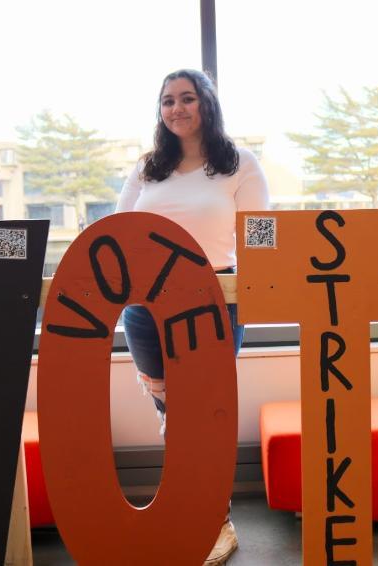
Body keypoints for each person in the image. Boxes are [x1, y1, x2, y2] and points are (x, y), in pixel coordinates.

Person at [115, 69, 269, 565]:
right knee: (173, 414)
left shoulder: (239, 164)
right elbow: (118, 232)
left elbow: (260, 237)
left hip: (215, 300)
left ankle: (215, 517)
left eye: (186, 98)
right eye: (167, 101)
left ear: (206, 103)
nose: (176, 108)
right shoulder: (148, 168)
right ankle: (191, 509)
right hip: (145, 307)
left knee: (204, 413)